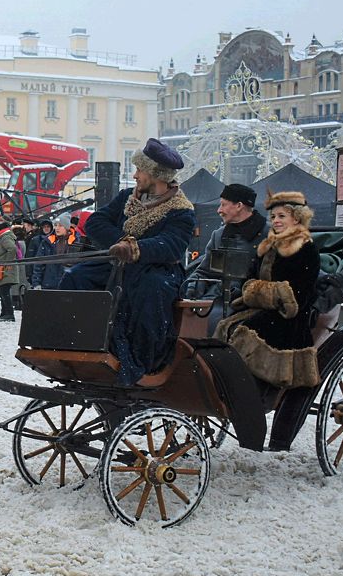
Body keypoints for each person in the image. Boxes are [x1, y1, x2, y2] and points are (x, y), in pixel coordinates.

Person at [59, 138, 195, 385]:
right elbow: (95, 223)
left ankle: (141, 361)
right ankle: (77, 343)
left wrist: (135, 248)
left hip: (159, 270)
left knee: (148, 290)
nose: (135, 176)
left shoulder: (181, 211)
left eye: (140, 170)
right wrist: (122, 242)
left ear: (155, 174)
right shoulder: (126, 198)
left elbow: (171, 244)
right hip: (120, 264)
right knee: (76, 276)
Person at [214, 191, 320, 389]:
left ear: (296, 218)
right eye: (273, 217)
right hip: (263, 309)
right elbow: (249, 280)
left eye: (281, 216)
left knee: (246, 332)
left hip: (290, 318)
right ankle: (229, 384)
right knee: (225, 325)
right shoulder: (268, 247)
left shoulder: (306, 249)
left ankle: (247, 387)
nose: (275, 221)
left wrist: (258, 291)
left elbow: (297, 297)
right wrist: (255, 291)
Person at [183, 183, 268, 301]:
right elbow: (205, 272)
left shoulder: (269, 235)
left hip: (252, 306)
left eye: (223, 205)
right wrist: (193, 288)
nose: (219, 210)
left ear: (239, 205)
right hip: (215, 304)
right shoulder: (218, 235)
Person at [32, 214, 77, 290]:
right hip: (48, 285)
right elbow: (39, 263)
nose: (57, 228)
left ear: (66, 227)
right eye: (55, 225)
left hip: (69, 285)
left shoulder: (76, 241)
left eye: (60, 225)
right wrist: (36, 283)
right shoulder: (47, 241)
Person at [0, 220, 22, 321]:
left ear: (0, 230)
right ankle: (4, 314)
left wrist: (6, 262)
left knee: (4, 292)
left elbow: (12, 249)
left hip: (6, 270)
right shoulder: (4, 237)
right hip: (4, 269)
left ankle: (9, 314)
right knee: (3, 291)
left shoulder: (5, 237)